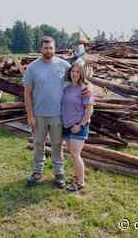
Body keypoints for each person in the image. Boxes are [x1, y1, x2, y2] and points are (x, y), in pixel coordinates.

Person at [23, 36, 91, 188]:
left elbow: (79, 75)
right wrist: (30, 116)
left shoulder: (64, 65)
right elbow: (27, 93)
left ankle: (58, 173)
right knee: (39, 143)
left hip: (58, 114)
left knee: (56, 145)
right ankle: (37, 172)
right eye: (45, 48)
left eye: (51, 48)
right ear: (41, 49)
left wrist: (89, 87)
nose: (48, 51)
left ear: (54, 48)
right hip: (39, 114)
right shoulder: (32, 68)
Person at [61, 61, 93, 192]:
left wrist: (80, 125)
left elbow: (89, 110)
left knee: (75, 154)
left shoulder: (85, 89)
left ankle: (80, 182)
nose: (75, 74)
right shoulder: (67, 88)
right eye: (73, 71)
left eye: (78, 72)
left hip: (78, 126)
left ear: (81, 74)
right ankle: (77, 177)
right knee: (72, 154)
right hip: (66, 125)